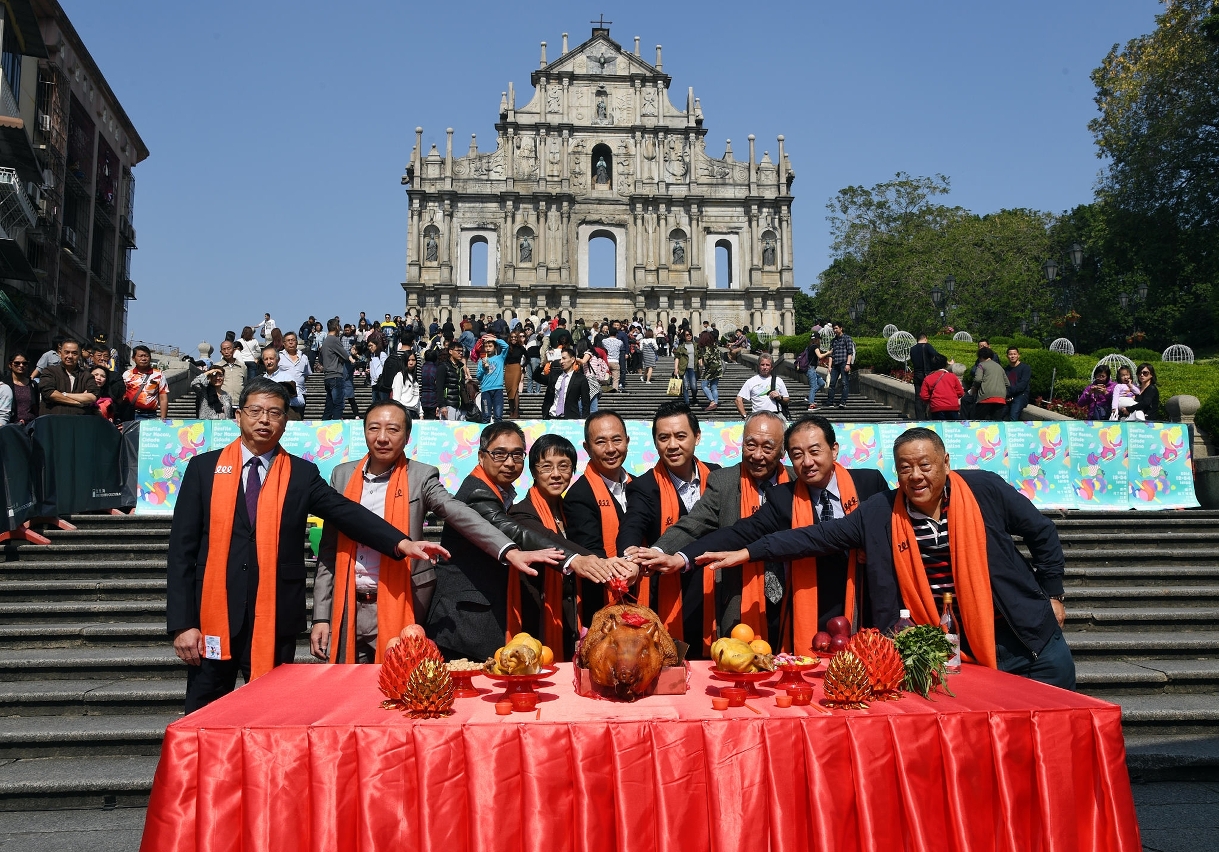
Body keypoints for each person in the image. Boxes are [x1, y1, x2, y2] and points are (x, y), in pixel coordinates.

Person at [697, 427, 1075, 689]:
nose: (916, 476)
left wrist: (1053, 593)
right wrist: (748, 552)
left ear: (945, 462)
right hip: (949, 653)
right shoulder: (880, 512)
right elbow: (815, 536)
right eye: (905, 468)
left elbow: (1041, 531)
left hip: (1028, 642)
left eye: (925, 465)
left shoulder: (984, 488)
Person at [166, 378, 450, 711]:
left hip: (275, 617)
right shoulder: (204, 469)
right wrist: (184, 624)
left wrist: (400, 543)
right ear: (239, 416)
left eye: (274, 413)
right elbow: (181, 551)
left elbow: (346, 513)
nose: (264, 420)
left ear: (286, 421)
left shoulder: (301, 474)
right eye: (255, 411)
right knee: (205, 712)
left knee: (271, 715)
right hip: (214, 618)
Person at [310, 401, 558, 663]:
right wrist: (321, 615)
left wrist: (507, 550)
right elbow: (329, 549)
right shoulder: (341, 475)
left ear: (406, 437)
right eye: (374, 428)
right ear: (364, 432)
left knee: (403, 683)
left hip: (403, 597)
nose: (382, 437)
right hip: (347, 601)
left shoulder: (421, 476)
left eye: (393, 429)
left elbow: (457, 511)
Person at [642, 415, 892, 650]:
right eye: (798, 454)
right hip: (804, 601)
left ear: (834, 449)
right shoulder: (785, 496)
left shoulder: (870, 484)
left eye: (814, 451)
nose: (807, 462)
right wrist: (682, 558)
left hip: (862, 597)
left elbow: (894, 530)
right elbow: (740, 531)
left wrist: (872, 546)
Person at [424, 421, 617, 661]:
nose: (509, 462)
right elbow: (512, 530)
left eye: (517, 454)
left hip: (482, 614)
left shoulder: (510, 495)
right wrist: (575, 560)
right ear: (481, 456)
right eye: (499, 454)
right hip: (466, 618)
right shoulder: (478, 492)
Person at [626, 412, 790, 640]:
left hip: (793, 594)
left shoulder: (797, 482)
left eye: (768, 447)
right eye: (750, 445)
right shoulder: (724, 481)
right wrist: (660, 551)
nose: (757, 455)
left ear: (783, 450)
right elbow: (693, 523)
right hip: (738, 599)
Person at [616, 401, 722, 655]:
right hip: (671, 595)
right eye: (664, 437)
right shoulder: (644, 487)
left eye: (680, 436)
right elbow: (631, 526)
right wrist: (629, 559)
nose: (672, 445)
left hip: (719, 591)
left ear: (697, 436)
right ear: (655, 442)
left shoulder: (720, 477)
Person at [38, 339, 96, 416]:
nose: (70, 356)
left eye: (74, 353)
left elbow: (92, 397)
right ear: (60, 353)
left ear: (79, 355)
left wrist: (64, 394)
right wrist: (77, 402)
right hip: (53, 422)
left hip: (79, 423)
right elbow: (49, 393)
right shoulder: (50, 371)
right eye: (67, 352)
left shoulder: (86, 376)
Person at [119, 345, 169, 421]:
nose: (143, 359)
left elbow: (163, 398)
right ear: (133, 358)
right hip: (130, 414)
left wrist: (163, 418)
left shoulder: (158, 375)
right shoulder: (127, 374)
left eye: (146, 356)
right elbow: (121, 395)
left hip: (149, 415)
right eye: (140, 356)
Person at [541, 346, 590, 420]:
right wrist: (544, 361)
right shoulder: (555, 376)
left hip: (570, 419)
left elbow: (586, 402)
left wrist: (584, 420)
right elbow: (536, 376)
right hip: (552, 417)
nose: (561, 361)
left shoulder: (580, 378)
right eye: (560, 359)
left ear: (572, 359)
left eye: (564, 358)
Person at [736, 354, 789, 418]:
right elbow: (738, 400)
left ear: (771, 367)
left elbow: (787, 400)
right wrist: (745, 416)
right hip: (758, 415)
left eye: (767, 365)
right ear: (759, 366)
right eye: (762, 364)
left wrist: (779, 397)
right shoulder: (751, 381)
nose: (765, 367)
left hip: (776, 415)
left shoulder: (779, 381)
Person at [320, 319, 351, 420]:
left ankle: (324, 426)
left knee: (329, 406)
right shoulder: (334, 340)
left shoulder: (325, 341)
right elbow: (346, 355)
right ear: (337, 327)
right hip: (335, 376)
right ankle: (336, 427)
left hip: (327, 376)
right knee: (338, 405)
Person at [474, 334, 509, 423]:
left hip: (498, 389)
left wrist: (494, 339)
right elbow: (479, 377)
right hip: (486, 390)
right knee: (486, 415)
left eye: (490, 346)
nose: (488, 348)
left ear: (495, 347)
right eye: (486, 346)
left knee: (498, 415)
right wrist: (483, 368)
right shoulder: (481, 361)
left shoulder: (500, 358)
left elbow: (506, 346)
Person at [968, 347, 1009, 420]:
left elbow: (977, 379)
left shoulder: (981, 365)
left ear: (980, 357)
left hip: (986, 397)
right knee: (996, 422)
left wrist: (974, 388)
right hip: (1001, 398)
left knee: (978, 420)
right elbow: (1007, 383)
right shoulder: (999, 367)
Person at [919, 355, 964, 419]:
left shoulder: (928, 378)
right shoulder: (952, 376)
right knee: (952, 428)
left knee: (938, 427)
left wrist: (932, 400)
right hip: (952, 407)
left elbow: (924, 396)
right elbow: (960, 392)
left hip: (936, 407)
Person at [278, 332, 311, 419]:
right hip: (284, 394)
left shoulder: (304, 357)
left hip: (300, 393)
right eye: (288, 340)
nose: (291, 342)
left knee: (299, 420)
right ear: (284, 343)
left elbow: (306, 375)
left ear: (296, 342)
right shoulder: (279, 357)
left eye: (293, 340)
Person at [909, 333, 942, 419]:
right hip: (926, 374)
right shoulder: (927, 346)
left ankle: (920, 418)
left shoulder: (912, 349)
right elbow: (936, 356)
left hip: (917, 374)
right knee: (931, 395)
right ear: (925, 339)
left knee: (918, 398)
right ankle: (930, 416)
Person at [434, 340, 468, 421]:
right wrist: (442, 405)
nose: (460, 353)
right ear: (450, 351)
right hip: (448, 406)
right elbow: (439, 387)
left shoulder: (460, 368)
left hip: (461, 406)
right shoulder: (443, 367)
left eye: (462, 351)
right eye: (458, 351)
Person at [2, 352, 38, 425]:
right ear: (10, 365)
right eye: (17, 363)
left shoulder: (33, 384)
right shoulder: (4, 385)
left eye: (24, 363)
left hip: (30, 425)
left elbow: (36, 406)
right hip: (9, 425)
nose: (21, 365)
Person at [827, 322, 855, 409]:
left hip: (843, 362)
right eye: (834, 329)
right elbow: (831, 354)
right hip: (835, 364)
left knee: (844, 383)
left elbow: (850, 352)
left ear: (841, 328)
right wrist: (829, 366)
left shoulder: (847, 338)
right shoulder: (833, 340)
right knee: (832, 383)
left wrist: (848, 364)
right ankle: (830, 401)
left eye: (836, 328)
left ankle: (843, 401)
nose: (835, 330)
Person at [697, 330, 723, 411]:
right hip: (718, 368)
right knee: (714, 387)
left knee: (704, 385)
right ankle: (715, 402)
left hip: (711, 369)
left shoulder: (705, 348)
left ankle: (712, 402)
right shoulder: (715, 346)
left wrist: (702, 363)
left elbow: (706, 359)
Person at [392, 351, 423, 418]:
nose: (411, 363)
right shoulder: (400, 376)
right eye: (408, 360)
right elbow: (396, 397)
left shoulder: (415, 377)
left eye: (413, 360)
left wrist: (421, 413)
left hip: (415, 412)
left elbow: (417, 396)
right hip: (404, 411)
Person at [1004, 347, 1031, 422]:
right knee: (999, 414)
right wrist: (1007, 396)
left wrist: (1009, 393)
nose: (1012, 356)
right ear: (1007, 356)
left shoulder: (1025, 368)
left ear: (1018, 355)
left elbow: (1022, 385)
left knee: (1013, 415)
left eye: (1014, 354)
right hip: (1008, 396)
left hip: (1021, 395)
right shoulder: (1006, 369)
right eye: (1010, 354)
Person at [215, 339, 246, 404]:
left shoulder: (242, 366)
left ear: (234, 350)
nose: (226, 352)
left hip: (239, 403)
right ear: (221, 352)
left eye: (229, 349)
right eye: (224, 349)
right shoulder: (217, 367)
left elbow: (245, 382)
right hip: (223, 403)